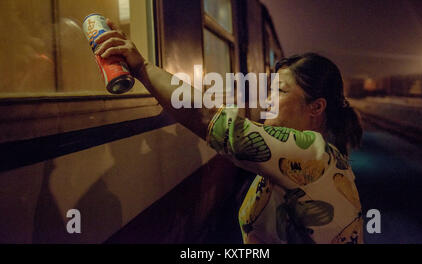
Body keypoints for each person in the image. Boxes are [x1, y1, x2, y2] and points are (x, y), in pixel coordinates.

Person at [94, 19, 364, 244]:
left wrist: (142, 67)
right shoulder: (290, 157)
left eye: (280, 92)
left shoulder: (309, 154)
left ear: (316, 107)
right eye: (269, 90)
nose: (267, 101)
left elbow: (214, 122)